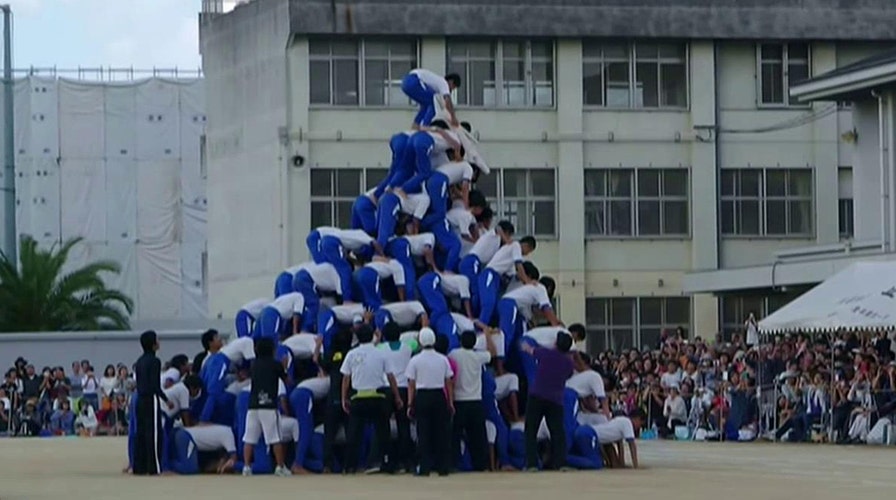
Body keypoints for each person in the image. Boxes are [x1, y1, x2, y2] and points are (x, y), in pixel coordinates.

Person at [340, 324, 403, 474]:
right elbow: (390, 377)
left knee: (354, 434)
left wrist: (344, 398)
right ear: (372, 336)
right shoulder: (381, 353)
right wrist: (397, 396)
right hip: (378, 397)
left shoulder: (351, 354)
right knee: (383, 432)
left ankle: (349, 466)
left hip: (358, 397)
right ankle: (387, 463)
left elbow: (346, 379)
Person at [521, 332, 574, 472]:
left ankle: (532, 463)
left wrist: (525, 346)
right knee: (557, 432)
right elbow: (568, 375)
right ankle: (560, 463)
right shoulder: (568, 363)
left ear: (556, 343)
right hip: (556, 399)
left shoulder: (545, 353)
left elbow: (530, 350)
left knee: (531, 430)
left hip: (537, 395)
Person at [406, 328, 455, 476]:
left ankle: (424, 467)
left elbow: (411, 384)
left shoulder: (415, 360)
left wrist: (410, 403)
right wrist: (450, 402)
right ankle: (443, 467)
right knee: (441, 432)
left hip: (422, 396)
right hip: (439, 395)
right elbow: (449, 382)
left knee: (423, 432)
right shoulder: (443, 359)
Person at [242, 338, 292, 477]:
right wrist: (285, 367)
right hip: (269, 406)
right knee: (275, 438)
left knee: (249, 438)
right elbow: (287, 380)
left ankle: (246, 467)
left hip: (253, 406)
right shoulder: (275, 364)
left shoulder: (254, 365)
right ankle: (280, 467)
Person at [449, 329, 496, 472]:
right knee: (478, 437)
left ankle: (453, 464)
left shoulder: (453, 354)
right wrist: (487, 335)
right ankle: (480, 465)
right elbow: (492, 353)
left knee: (455, 435)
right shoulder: (478, 356)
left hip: (459, 400)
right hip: (475, 400)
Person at [133, 330, 173, 476]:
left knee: (141, 432)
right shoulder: (155, 361)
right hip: (151, 398)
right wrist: (166, 399)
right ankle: (154, 467)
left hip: (139, 399)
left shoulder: (139, 361)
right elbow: (155, 385)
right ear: (153, 344)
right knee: (154, 433)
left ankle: (139, 466)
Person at [378, 322, 415, 472]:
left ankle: (387, 461)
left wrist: (378, 338)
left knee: (384, 427)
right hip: (404, 389)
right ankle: (405, 462)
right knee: (403, 427)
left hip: (387, 389)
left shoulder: (380, 349)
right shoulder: (408, 347)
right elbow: (417, 341)